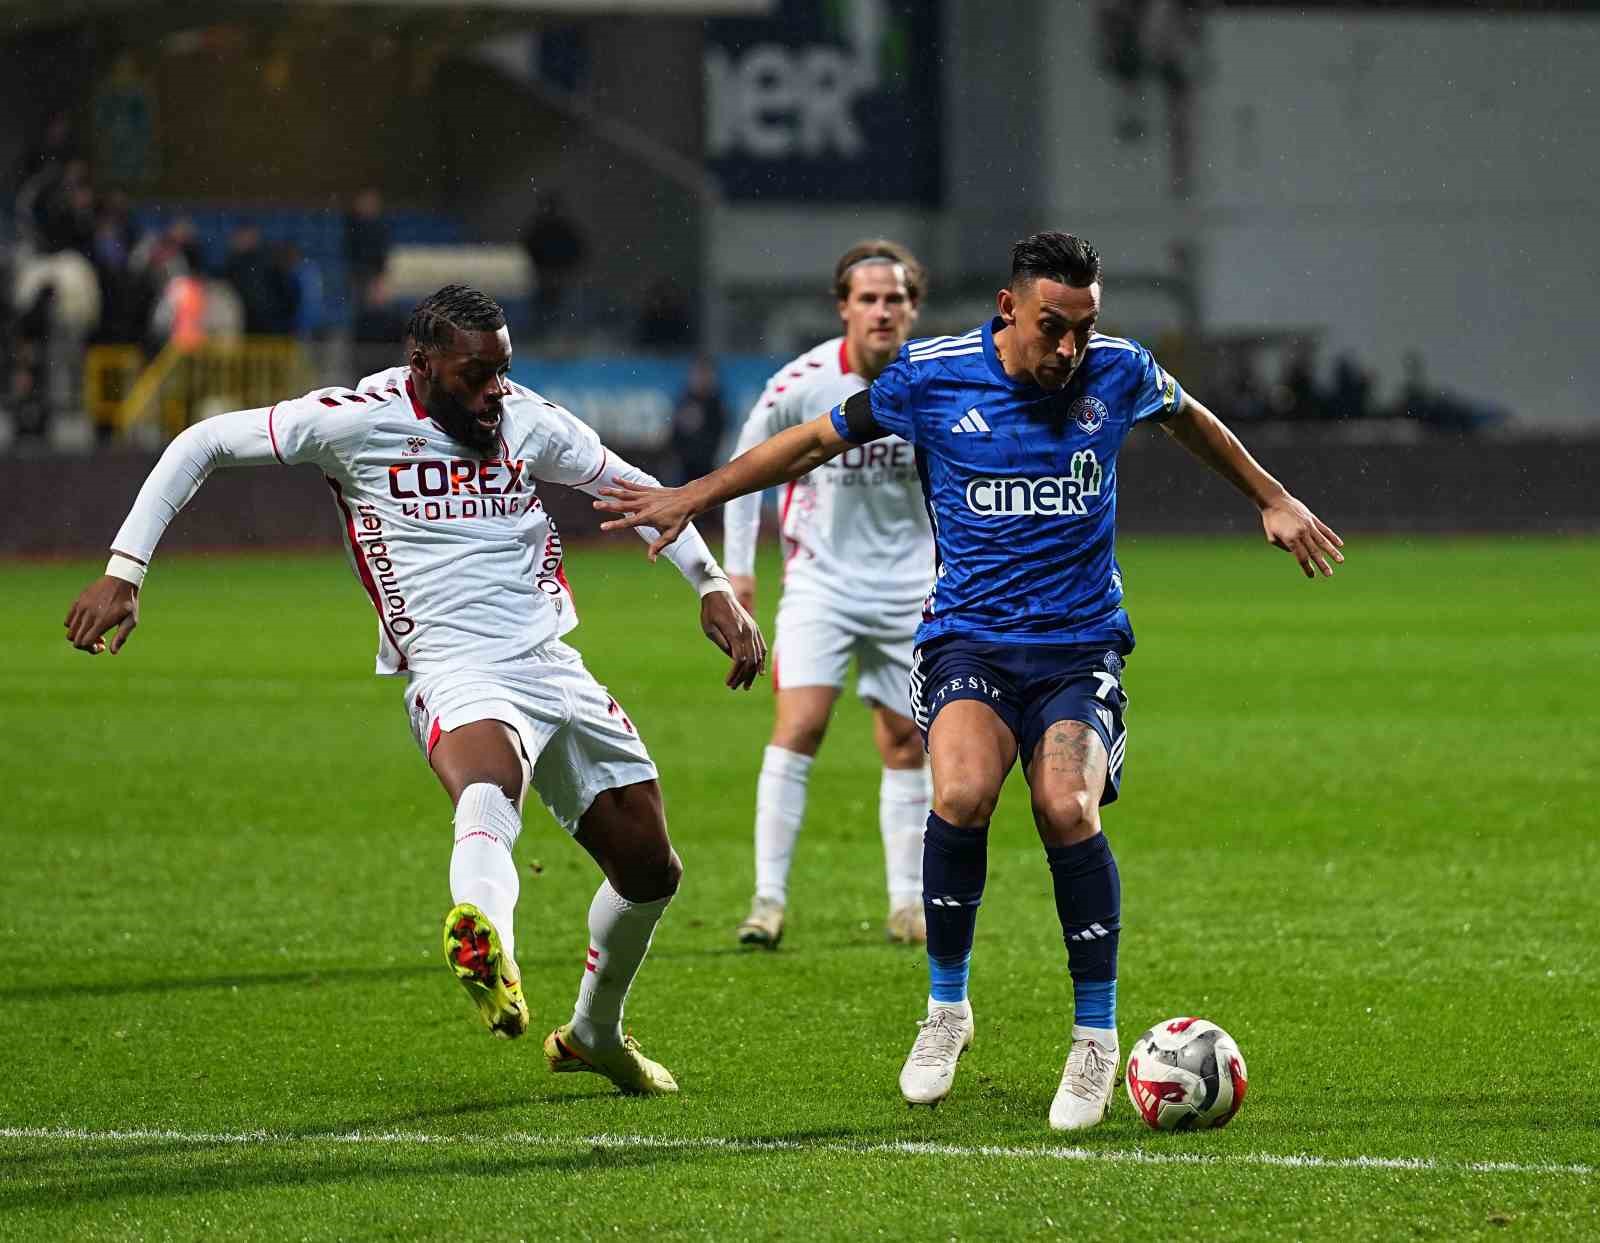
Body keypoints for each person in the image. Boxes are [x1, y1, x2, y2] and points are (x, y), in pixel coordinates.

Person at [594, 232, 1343, 1129]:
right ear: (1007, 308)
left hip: (1078, 649)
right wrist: (695, 498)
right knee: (957, 795)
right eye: (1051, 327)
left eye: (1084, 327)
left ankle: (1095, 1037)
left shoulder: (1117, 370)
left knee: (1066, 808)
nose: (1069, 349)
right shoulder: (935, 377)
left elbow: (1188, 417)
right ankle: (946, 1010)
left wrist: (1270, 494)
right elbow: (806, 446)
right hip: (968, 645)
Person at [64, 284, 765, 1096]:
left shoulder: (526, 419)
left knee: (652, 870)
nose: (493, 391)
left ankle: (594, 1032)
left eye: (503, 370)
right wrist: (125, 571)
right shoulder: (355, 421)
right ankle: (486, 938)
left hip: (552, 661)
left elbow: (637, 491)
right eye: (476, 375)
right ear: (422, 364)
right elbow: (200, 443)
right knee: (490, 781)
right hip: (451, 663)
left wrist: (712, 587)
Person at [721, 240, 933, 950]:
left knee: (905, 738)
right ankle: (767, 900)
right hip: (821, 582)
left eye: (895, 298)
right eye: (868, 298)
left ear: (913, 308)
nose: (882, 310)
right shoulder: (803, 383)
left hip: (912, 586)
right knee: (801, 723)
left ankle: (908, 903)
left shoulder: (938, 381)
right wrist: (737, 572)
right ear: (844, 306)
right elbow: (747, 465)